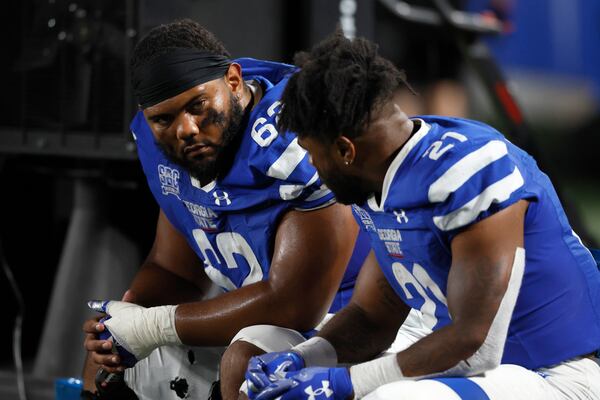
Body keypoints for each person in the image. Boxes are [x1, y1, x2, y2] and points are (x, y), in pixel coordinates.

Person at [243, 31, 600, 400]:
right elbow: (372, 318)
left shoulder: (470, 168)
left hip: (553, 372)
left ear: (345, 150)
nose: (314, 167)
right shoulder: (378, 173)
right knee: (263, 351)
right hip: (462, 363)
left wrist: (345, 383)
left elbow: (477, 344)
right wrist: (301, 359)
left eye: (313, 153)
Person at [80, 19, 377, 400]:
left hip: (347, 321)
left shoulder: (296, 138)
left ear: (234, 83)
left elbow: (296, 304)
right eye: (164, 119)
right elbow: (174, 270)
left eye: (198, 106)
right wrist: (126, 322)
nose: (185, 129)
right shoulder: (164, 142)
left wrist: (150, 327)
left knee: (247, 362)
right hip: (253, 318)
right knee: (106, 358)